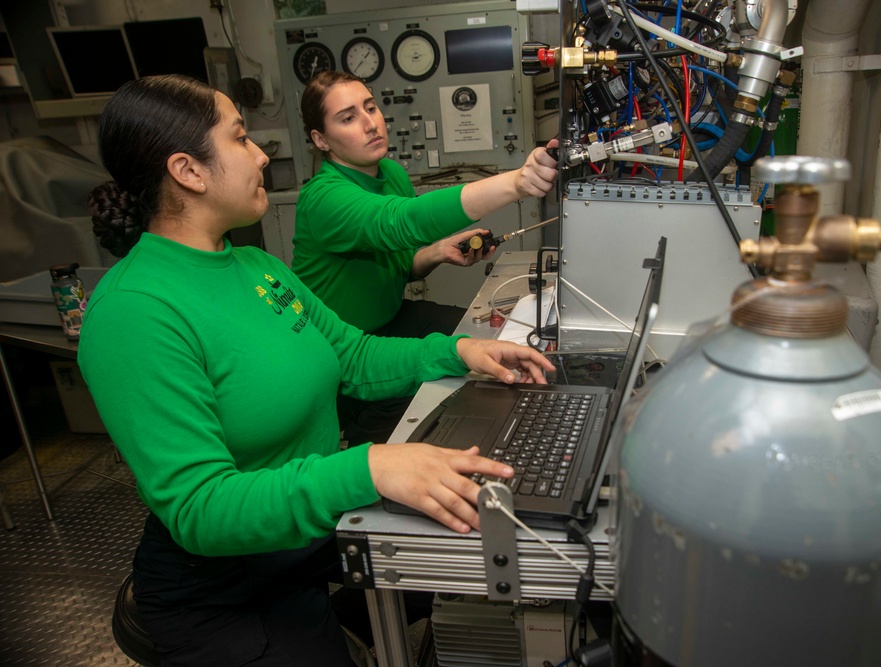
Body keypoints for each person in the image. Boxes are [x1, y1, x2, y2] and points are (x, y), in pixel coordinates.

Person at [78, 74, 555, 666]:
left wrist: (456, 353)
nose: (260, 154)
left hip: (304, 537)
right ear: (189, 171)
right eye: (241, 139)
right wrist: (369, 464)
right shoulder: (135, 312)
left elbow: (350, 355)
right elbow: (201, 508)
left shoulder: (251, 263)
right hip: (225, 585)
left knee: (459, 558)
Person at [293, 70, 560, 445]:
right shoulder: (322, 198)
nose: (370, 123)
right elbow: (400, 222)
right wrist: (517, 182)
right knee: (422, 420)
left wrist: (436, 253)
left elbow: (395, 263)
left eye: (370, 107)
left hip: (390, 319)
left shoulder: (389, 174)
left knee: (486, 339)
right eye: (348, 117)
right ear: (320, 140)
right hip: (341, 351)